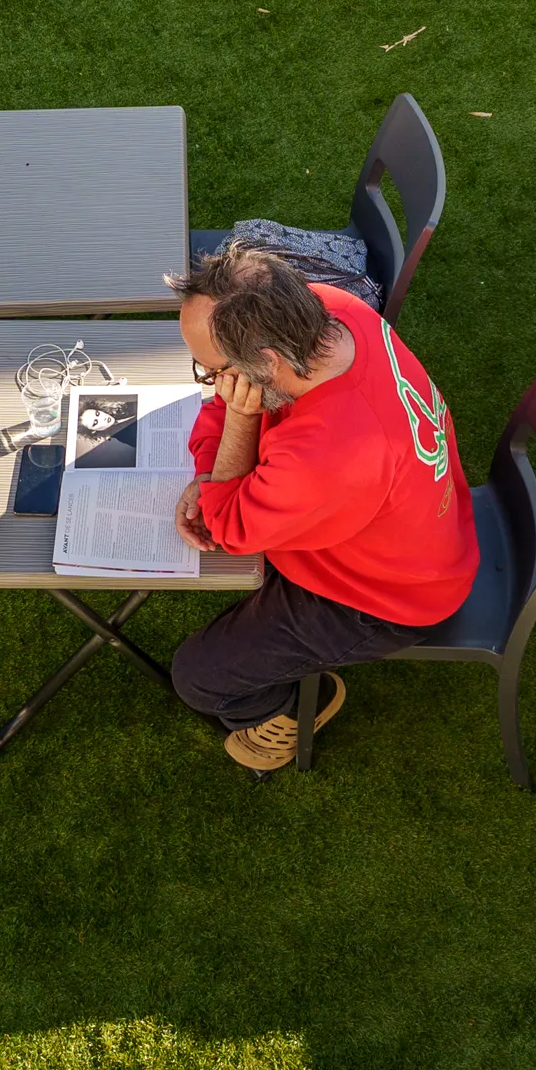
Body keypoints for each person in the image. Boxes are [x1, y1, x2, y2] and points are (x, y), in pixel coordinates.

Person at [168, 243, 480, 774]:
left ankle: (294, 711)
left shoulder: (329, 454)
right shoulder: (331, 309)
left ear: (262, 362)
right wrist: (209, 468)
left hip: (385, 597)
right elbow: (224, 411)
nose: (212, 384)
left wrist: (237, 432)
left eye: (212, 370)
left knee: (199, 677)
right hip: (415, 531)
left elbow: (227, 527)